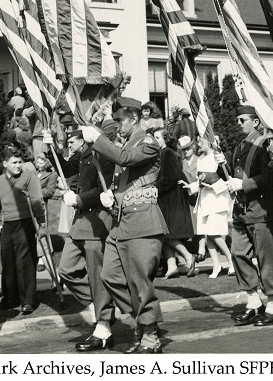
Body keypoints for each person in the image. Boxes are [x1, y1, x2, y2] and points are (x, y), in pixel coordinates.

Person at [80, 97, 167, 354]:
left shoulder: (148, 143)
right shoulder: (126, 144)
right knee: (110, 276)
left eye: (120, 120)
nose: (117, 125)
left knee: (140, 282)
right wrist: (111, 197)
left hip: (143, 224)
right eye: (115, 120)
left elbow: (125, 158)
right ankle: (144, 321)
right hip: (121, 224)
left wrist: (97, 138)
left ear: (135, 119)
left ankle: (149, 335)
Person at [57, 127, 117, 351]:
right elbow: (66, 168)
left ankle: (103, 328)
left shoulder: (103, 156)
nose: (70, 145)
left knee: (96, 274)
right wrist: (51, 145)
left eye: (72, 141)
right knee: (66, 269)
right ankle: (100, 306)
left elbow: (105, 189)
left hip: (97, 222)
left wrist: (78, 200)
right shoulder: (82, 156)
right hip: (81, 223)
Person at [224, 105, 273, 327]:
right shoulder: (240, 146)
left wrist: (244, 184)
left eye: (243, 120)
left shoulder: (266, 144)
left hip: (261, 209)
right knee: (238, 253)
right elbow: (235, 174)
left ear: (256, 122)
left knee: (267, 260)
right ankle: (254, 299)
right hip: (241, 210)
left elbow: (270, 177)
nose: (239, 124)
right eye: (238, 120)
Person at [0, 145, 45, 314]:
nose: (18, 165)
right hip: (7, 223)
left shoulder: (29, 177)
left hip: (25, 222)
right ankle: (10, 298)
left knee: (24, 261)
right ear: (5, 163)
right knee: (7, 261)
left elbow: (37, 200)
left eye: (20, 162)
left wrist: (42, 224)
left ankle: (28, 300)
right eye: (14, 162)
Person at [155, 128, 196, 279]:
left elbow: (170, 177)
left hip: (170, 199)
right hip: (166, 198)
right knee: (164, 232)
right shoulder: (163, 153)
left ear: (165, 139)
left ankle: (188, 256)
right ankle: (172, 266)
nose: (155, 140)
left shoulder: (167, 153)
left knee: (167, 233)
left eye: (157, 137)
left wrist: (155, 188)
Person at [195, 137, 235, 278]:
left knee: (214, 233)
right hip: (204, 200)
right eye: (198, 141)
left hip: (217, 200)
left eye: (201, 141)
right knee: (208, 235)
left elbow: (226, 178)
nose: (199, 143)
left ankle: (230, 259)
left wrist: (212, 185)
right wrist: (194, 186)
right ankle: (216, 265)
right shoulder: (199, 159)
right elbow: (199, 180)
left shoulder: (217, 157)